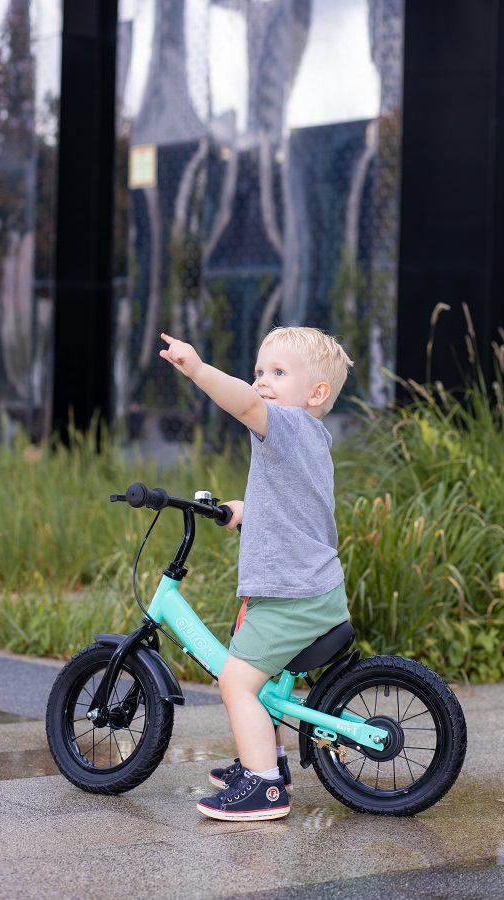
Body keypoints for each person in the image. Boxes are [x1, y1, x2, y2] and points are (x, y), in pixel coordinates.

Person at [160, 326, 353, 821]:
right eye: (259, 371)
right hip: (306, 588)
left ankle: (264, 787)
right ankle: (268, 759)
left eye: (278, 372)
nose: (262, 381)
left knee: (237, 682)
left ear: (316, 393)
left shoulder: (285, 424)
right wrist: (245, 510)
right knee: (265, 684)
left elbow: (244, 403)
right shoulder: (309, 437)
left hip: (293, 595)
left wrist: (198, 370)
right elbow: (297, 503)